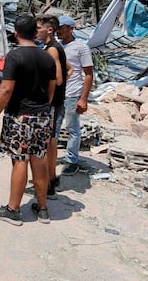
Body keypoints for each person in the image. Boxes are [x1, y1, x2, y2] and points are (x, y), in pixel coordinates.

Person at [0, 14, 56, 225]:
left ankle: (13, 209)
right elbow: (51, 88)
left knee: (19, 161)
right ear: (36, 32)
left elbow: (6, 89)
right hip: (43, 116)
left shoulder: (14, 57)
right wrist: (42, 107)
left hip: (20, 117)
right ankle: (42, 208)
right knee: (39, 160)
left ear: (15, 33)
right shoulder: (47, 57)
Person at [37, 15, 71, 196]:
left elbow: (57, 78)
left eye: (39, 27)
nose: (36, 31)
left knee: (48, 143)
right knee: (51, 142)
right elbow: (69, 69)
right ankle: (51, 178)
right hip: (56, 103)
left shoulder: (52, 50)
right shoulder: (53, 48)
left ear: (49, 30)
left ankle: (48, 182)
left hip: (51, 105)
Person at [55, 14, 94, 177]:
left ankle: (72, 160)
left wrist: (83, 98)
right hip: (57, 94)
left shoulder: (81, 47)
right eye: (57, 28)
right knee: (54, 127)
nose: (59, 32)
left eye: (62, 28)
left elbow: (88, 74)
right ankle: (51, 156)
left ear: (71, 29)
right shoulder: (56, 47)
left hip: (72, 94)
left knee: (72, 128)